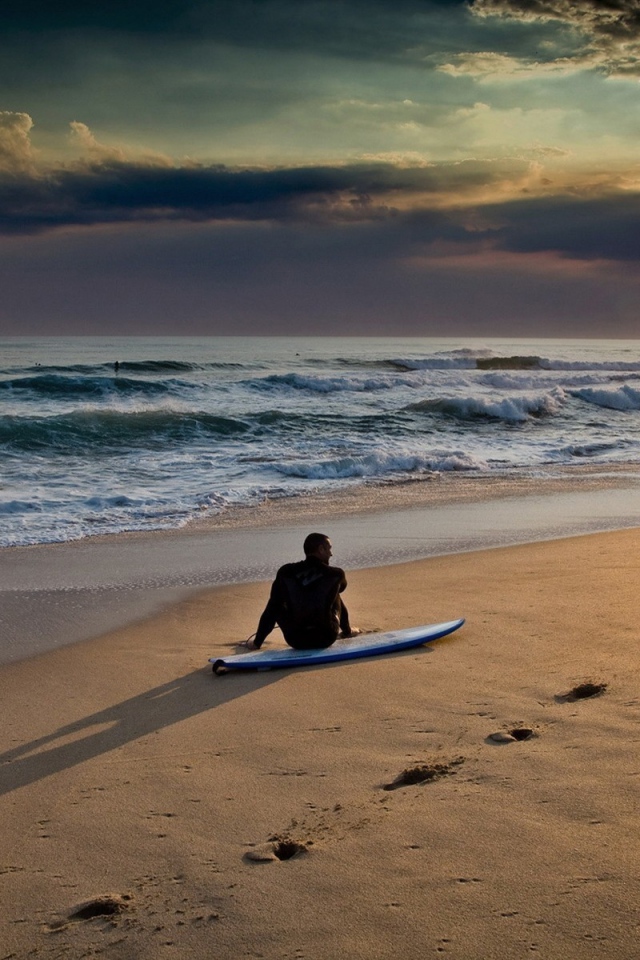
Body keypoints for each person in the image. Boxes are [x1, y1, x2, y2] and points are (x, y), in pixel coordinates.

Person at [242, 533, 359, 651]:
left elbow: (271, 610)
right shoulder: (335, 574)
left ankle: (256, 644)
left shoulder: (286, 572)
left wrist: (257, 642)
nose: (331, 553)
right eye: (329, 549)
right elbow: (342, 588)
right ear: (321, 549)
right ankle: (347, 632)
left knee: (276, 602)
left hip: (296, 640)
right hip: (326, 637)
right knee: (334, 591)